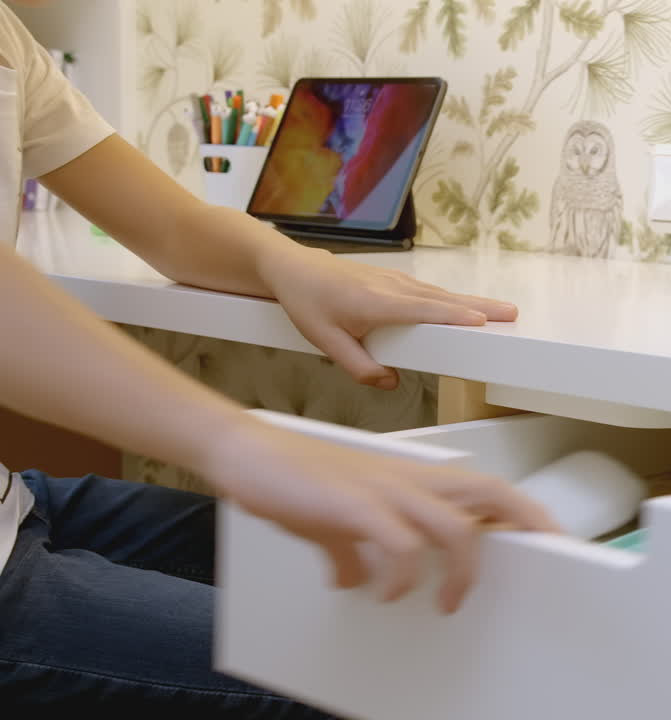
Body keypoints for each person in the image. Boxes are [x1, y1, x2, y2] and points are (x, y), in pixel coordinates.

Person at [0, 1, 558, 715]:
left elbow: (171, 226)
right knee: (392, 681)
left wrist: (292, 263)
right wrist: (245, 444)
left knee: (389, 582)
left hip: (17, 503)